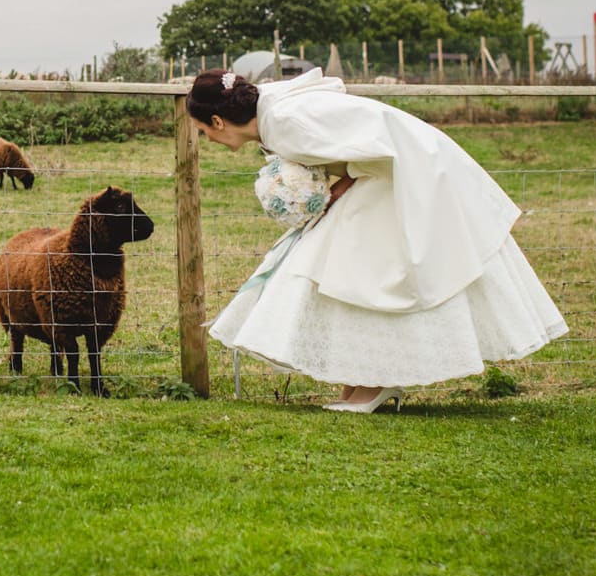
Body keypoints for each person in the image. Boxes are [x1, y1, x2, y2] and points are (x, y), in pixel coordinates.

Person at [188, 67, 567, 412]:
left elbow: (371, 146)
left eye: (204, 131)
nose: (207, 138)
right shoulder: (272, 110)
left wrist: (332, 192)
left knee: (363, 272)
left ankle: (375, 383)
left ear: (218, 121)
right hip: (386, 171)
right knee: (334, 266)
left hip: (406, 171)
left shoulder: (284, 120)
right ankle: (359, 380)